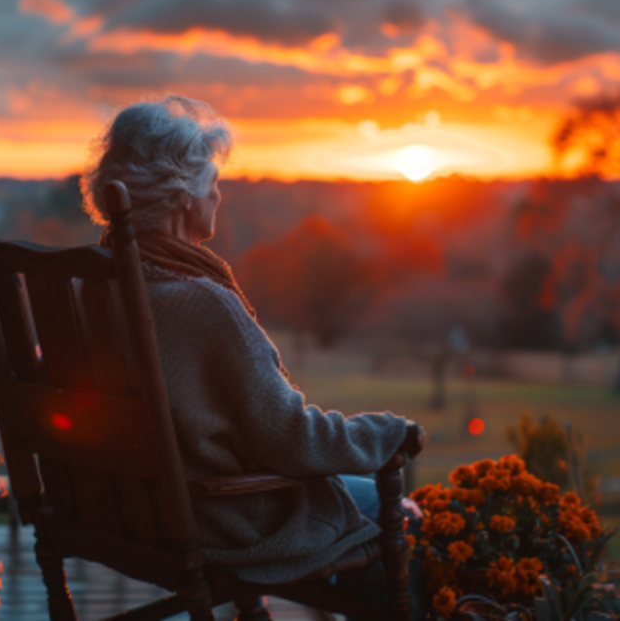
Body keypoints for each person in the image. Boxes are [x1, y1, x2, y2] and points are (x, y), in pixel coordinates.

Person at [80, 96, 426, 618]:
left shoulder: (98, 286)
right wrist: (386, 434)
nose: (218, 193)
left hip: (127, 508)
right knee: (408, 516)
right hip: (220, 518)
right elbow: (292, 439)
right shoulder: (200, 304)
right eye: (211, 180)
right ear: (181, 195)